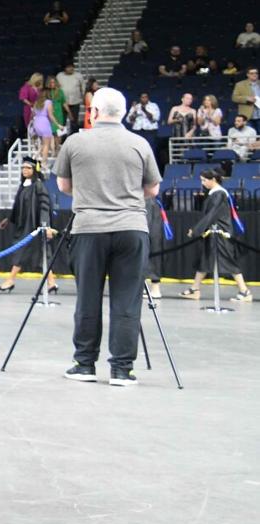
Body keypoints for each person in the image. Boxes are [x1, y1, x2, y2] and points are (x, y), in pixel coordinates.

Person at [54, 87, 162, 385]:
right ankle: (122, 370)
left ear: (94, 112)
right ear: (124, 113)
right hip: (131, 227)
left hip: (89, 228)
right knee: (127, 299)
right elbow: (153, 189)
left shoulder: (75, 142)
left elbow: (63, 186)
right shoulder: (139, 143)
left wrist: (92, 193)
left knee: (88, 298)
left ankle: (84, 364)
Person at [178, 169, 251, 303]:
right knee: (205, 260)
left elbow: (211, 215)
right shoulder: (215, 193)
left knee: (228, 261)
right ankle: (195, 289)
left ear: (213, 180)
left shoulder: (219, 194)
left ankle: (244, 291)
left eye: (204, 180)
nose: (202, 183)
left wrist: (196, 230)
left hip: (221, 233)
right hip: (213, 232)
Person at [0, 157, 58, 293]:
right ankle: (52, 283)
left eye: (28, 168)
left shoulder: (38, 186)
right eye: (23, 167)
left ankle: (10, 280)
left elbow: (45, 206)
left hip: (35, 226)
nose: (24, 170)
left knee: (23, 252)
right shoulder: (23, 186)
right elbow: (18, 206)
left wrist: (45, 226)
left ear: (34, 170)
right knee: (42, 254)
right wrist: (9, 219)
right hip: (24, 225)